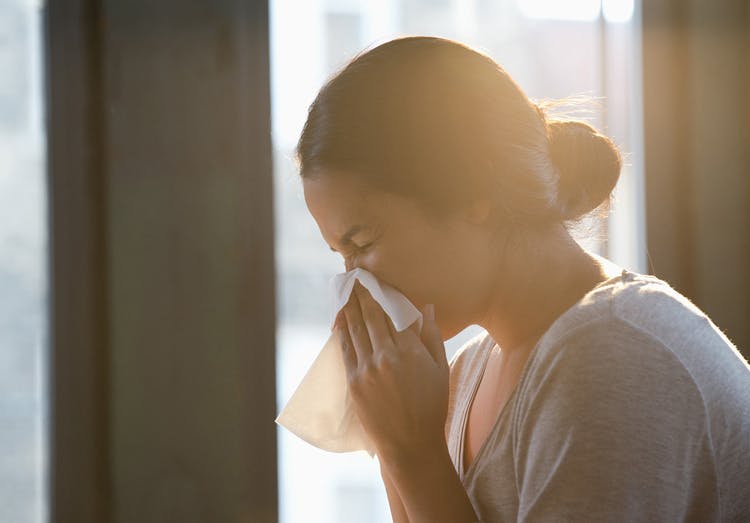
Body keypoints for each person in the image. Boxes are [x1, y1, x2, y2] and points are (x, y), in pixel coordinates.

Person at [297, 35, 750, 522]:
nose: (355, 285)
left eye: (362, 244)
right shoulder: (464, 376)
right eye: (341, 257)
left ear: (471, 192)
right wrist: (393, 440)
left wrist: (415, 455)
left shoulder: (611, 353)